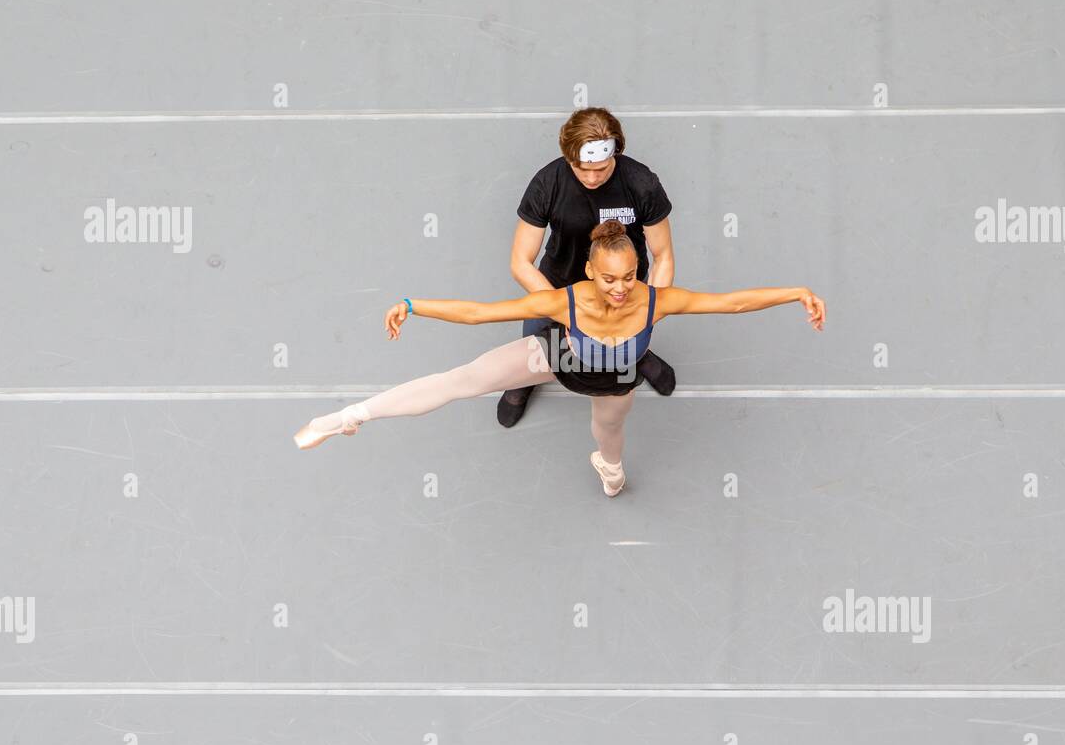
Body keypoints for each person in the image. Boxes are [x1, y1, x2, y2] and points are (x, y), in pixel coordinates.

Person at [294, 220, 826, 497]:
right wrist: (414, 305)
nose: (621, 289)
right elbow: (481, 313)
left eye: (630, 276)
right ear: (591, 272)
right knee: (463, 378)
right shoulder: (563, 301)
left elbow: (732, 302)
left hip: (615, 381)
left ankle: (609, 471)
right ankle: (347, 417)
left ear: (639, 268)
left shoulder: (657, 301)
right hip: (557, 357)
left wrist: (796, 290)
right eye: (610, 278)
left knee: (610, 449)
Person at [498, 107, 678, 429]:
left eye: (602, 168)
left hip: (621, 286)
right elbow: (520, 262)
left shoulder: (642, 184)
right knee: (535, 344)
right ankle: (523, 381)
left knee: (627, 341)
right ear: (568, 158)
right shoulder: (547, 183)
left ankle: (640, 355)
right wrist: (560, 307)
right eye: (583, 169)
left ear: (616, 154)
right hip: (558, 285)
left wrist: (648, 311)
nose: (592, 177)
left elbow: (663, 255)